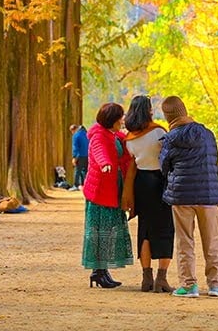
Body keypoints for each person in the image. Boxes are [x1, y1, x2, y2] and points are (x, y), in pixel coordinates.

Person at [159, 96, 218, 299]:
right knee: (211, 240)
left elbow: (164, 166)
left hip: (182, 195)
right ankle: (215, 285)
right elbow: (215, 159)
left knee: (185, 241)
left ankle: (188, 285)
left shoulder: (171, 138)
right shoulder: (207, 134)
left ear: (168, 117)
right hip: (208, 194)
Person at [122, 95, 175, 293]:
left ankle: (146, 278)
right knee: (165, 228)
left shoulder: (129, 138)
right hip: (160, 182)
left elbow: (133, 160)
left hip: (141, 183)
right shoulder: (159, 132)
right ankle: (162, 278)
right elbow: (169, 155)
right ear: (148, 111)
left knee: (145, 229)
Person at [82, 104, 133, 288]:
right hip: (100, 193)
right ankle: (98, 272)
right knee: (100, 232)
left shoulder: (115, 135)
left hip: (112, 191)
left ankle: (102, 271)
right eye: (120, 117)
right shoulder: (99, 136)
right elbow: (99, 152)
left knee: (109, 232)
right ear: (112, 119)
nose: (122, 119)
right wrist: (104, 164)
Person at [71, 123, 89, 189]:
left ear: (74, 129)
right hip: (88, 155)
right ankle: (85, 184)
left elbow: (75, 147)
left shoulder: (76, 135)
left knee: (77, 171)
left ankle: (75, 185)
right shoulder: (87, 134)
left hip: (80, 155)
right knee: (85, 171)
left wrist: (74, 157)